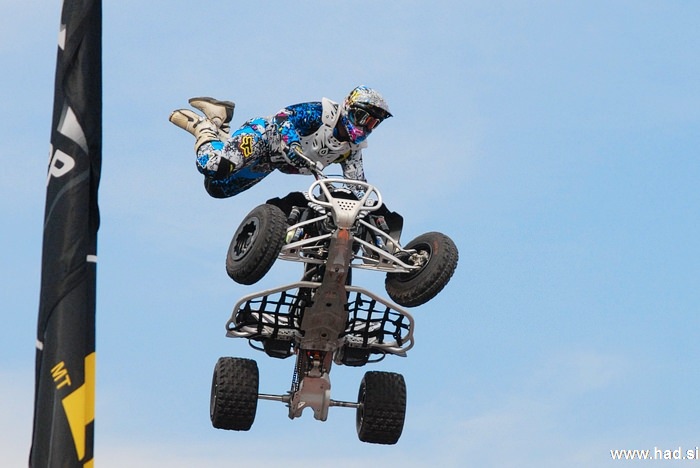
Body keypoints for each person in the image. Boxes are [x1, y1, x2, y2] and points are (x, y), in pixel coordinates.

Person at [169, 86, 392, 198]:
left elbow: (358, 186)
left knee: (217, 189)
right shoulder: (323, 113)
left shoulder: (352, 150)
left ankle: (221, 122)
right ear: (350, 108)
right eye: (363, 118)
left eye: (373, 123)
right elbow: (283, 117)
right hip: (263, 137)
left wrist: (373, 211)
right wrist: (292, 144)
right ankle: (204, 127)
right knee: (215, 167)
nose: (366, 126)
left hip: (270, 163)